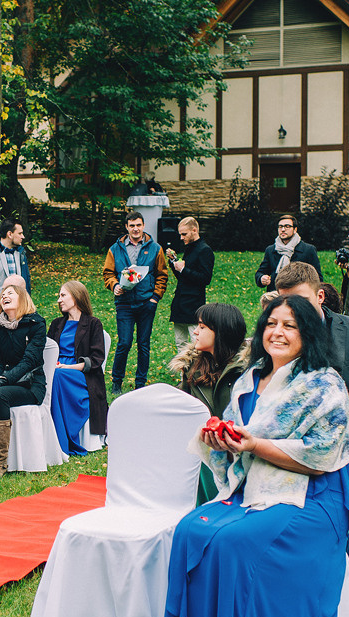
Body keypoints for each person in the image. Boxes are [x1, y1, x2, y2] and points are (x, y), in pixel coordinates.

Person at [152, 295, 349, 617]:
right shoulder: (249, 380)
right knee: (190, 528)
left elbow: (320, 458)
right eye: (272, 324)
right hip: (252, 486)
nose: (278, 332)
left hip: (311, 498)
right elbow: (238, 443)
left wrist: (255, 444)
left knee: (237, 543)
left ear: (308, 335)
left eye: (290, 326)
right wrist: (221, 441)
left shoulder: (323, 384)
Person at [274, 261, 349, 593]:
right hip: (302, 448)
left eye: (299, 301)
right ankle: (306, 572)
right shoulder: (278, 338)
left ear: (320, 295)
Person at [169, 302, 249, 505]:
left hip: (243, 453)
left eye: (202, 327)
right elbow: (182, 409)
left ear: (221, 331)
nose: (195, 332)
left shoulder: (247, 372)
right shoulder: (192, 368)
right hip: (204, 453)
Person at [102, 211, 169, 392]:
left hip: (146, 302)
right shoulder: (115, 249)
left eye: (138, 225)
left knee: (144, 344)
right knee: (124, 342)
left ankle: (141, 384)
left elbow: (162, 275)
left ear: (143, 226)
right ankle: (117, 381)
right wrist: (114, 285)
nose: (135, 229)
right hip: (124, 303)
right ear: (126, 227)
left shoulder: (155, 248)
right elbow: (108, 273)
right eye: (132, 226)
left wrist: (155, 297)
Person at [0, 282, 47, 477]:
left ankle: (0, 461)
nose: (5, 296)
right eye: (3, 293)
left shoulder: (36, 324)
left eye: (10, 293)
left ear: (22, 298)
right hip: (4, 379)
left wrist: (4, 379)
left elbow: (30, 361)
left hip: (30, 384)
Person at [47, 281, 108, 456]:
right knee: (55, 375)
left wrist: (69, 367)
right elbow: (46, 350)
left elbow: (96, 358)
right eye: (59, 296)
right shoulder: (56, 324)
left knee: (58, 376)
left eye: (63, 295)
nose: (59, 300)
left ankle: (64, 439)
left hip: (82, 374)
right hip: (57, 368)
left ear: (76, 296)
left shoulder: (93, 324)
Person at [168, 217, 215, 351]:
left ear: (194, 230)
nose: (181, 238)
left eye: (184, 234)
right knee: (180, 344)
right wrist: (174, 263)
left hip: (194, 305)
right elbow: (183, 277)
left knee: (196, 345)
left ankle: (198, 371)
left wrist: (183, 269)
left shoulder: (205, 250)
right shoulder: (189, 248)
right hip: (180, 303)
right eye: (180, 234)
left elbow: (205, 279)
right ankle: (183, 371)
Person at [255, 214, 322, 288]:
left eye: (287, 226)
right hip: (276, 295)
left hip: (299, 295)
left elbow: (317, 278)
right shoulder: (271, 250)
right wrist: (261, 278)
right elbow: (260, 272)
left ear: (295, 229)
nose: (283, 229)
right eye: (280, 227)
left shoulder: (308, 250)